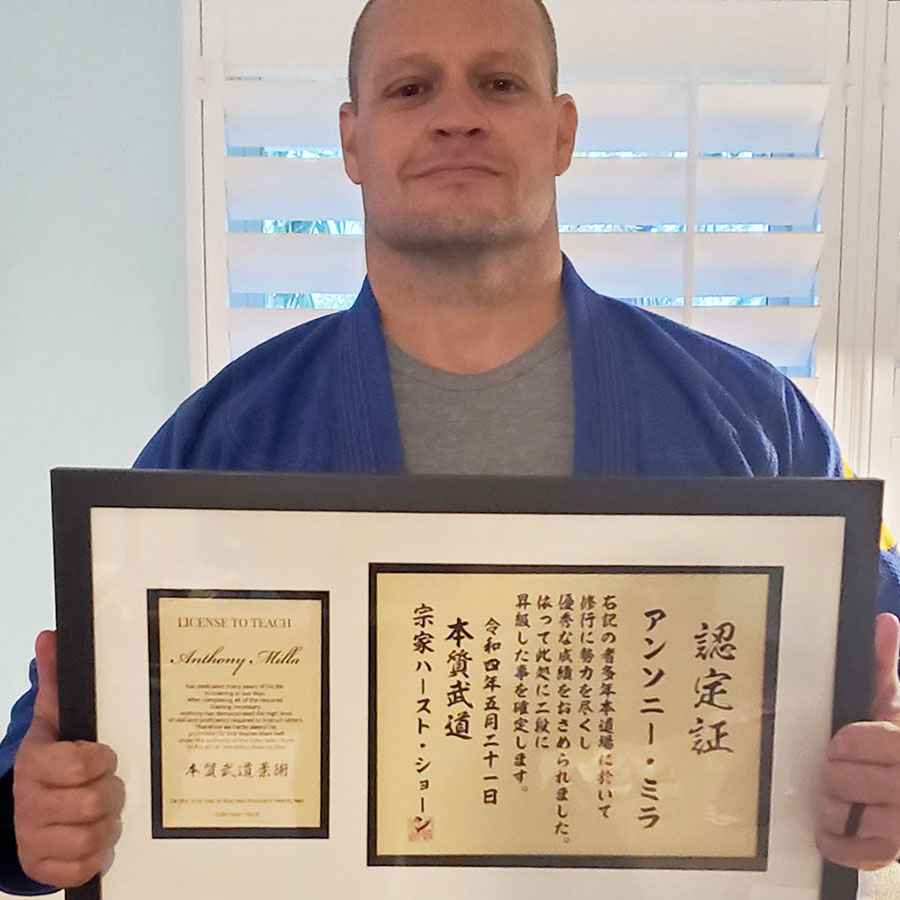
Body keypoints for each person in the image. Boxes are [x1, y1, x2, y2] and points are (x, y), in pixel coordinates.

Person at [3, 0, 900, 892]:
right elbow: (58, 745)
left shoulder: (754, 420)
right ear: (351, 141)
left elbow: (880, 660)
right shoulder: (224, 437)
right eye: (410, 88)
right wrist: (35, 810)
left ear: (562, 130)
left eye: (500, 83)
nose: (457, 115)